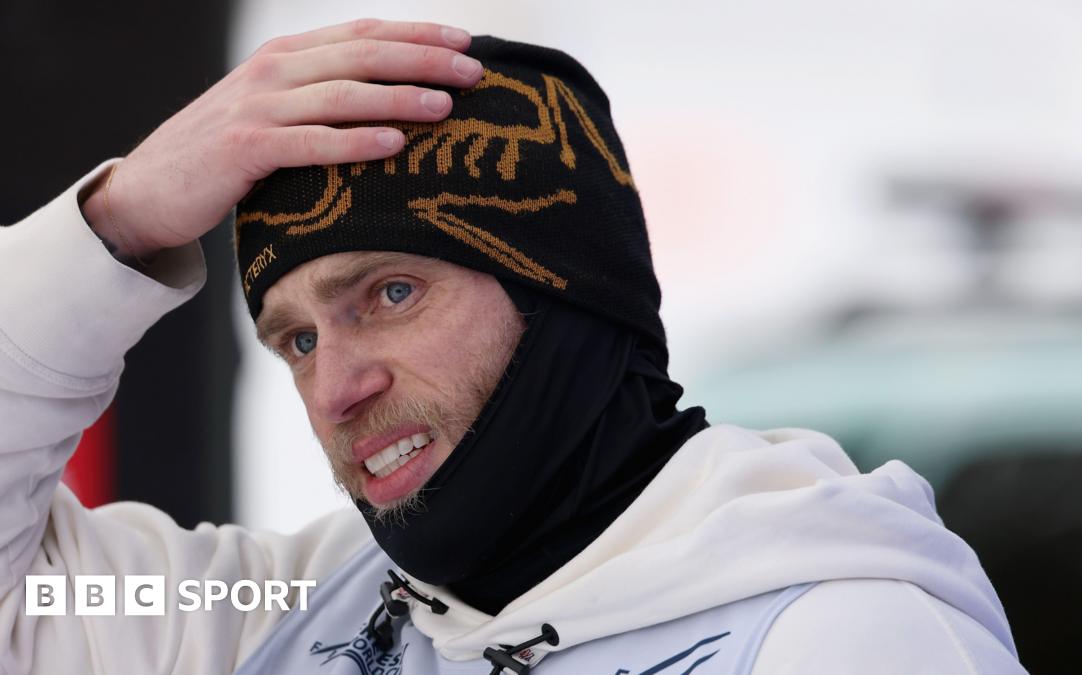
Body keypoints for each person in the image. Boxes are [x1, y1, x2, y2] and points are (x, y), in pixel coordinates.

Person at [0, 19, 1028, 674]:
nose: (336, 388)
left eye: (392, 292)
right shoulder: (263, 620)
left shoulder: (839, 638)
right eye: (297, 339)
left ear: (564, 292)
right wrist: (120, 219)